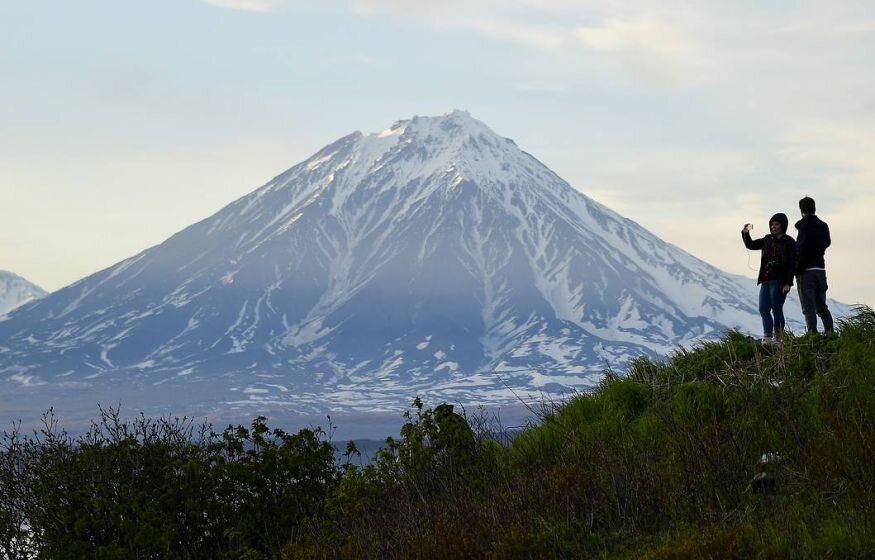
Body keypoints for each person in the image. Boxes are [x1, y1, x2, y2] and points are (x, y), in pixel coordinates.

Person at [742, 213, 797, 343]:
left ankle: (779, 338)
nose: (773, 227)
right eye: (772, 224)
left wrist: (788, 283)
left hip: (779, 281)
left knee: (777, 309)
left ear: (783, 225)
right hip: (765, 280)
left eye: (776, 224)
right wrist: (745, 233)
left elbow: (792, 263)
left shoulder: (789, 242)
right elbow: (750, 245)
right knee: (763, 309)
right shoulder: (767, 240)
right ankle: (767, 337)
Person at [794, 197, 834, 334]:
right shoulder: (823, 225)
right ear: (814, 207)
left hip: (806, 271)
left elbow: (800, 249)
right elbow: (827, 242)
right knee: (821, 305)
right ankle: (830, 332)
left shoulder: (804, 227)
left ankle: (812, 334)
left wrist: (796, 269)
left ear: (801, 209)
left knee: (808, 306)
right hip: (820, 269)